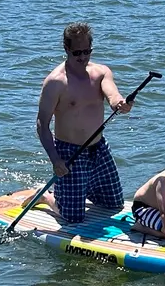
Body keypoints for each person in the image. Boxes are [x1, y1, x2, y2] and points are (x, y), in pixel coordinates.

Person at [36, 22, 130, 225]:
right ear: (66, 49)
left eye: (87, 51)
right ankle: (47, 197)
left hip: (99, 148)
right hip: (69, 153)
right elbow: (42, 125)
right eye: (77, 52)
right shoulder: (55, 82)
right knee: (72, 218)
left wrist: (119, 103)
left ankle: (77, 191)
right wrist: (55, 160)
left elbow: (112, 94)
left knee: (114, 204)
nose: (82, 57)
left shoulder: (101, 72)